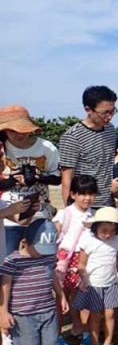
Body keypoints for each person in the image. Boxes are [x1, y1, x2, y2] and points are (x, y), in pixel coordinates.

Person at [0, 219, 73, 345]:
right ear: (24, 242)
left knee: (52, 344)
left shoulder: (48, 257)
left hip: (47, 309)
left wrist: (61, 295)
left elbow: (53, 277)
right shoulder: (12, 261)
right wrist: (4, 311)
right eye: (39, 249)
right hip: (23, 313)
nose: (42, 254)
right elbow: (5, 286)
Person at [0, 105, 61, 255]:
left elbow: (57, 178)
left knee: (42, 260)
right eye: (12, 131)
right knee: (7, 262)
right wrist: (13, 180)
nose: (19, 135)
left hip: (39, 211)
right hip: (7, 212)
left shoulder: (46, 148)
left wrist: (38, 178)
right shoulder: (1, 148)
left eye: (23, 131)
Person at [72, 207, 118, 345]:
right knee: (96, 315)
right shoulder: (88, 241)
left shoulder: (116, 242)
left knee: (110, 314)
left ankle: (108, 342)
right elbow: (81, 264)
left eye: (112, 231)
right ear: (95, 227)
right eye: (104, 230)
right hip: (93, 284)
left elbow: (117, 262)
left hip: (110, 283)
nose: (108, 234)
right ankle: (95, 344)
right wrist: (84, 278)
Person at [59, 85, 118, 209]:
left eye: (112, 111)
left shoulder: (110, 129)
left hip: (108, 203)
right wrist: (70, 212)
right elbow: (67, 179)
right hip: (85, 205)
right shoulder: (72, 137)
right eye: (104, 113)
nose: (109, 116)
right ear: (88, 109)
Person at [53, 175, 97, 345]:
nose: (87, 198)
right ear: (73, 194)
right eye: (82, 194)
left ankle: (84, 330)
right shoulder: (64, 214)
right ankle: (56, 337)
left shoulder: (95, 216)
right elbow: (52, 236)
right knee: (61, 298)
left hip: (85, 260)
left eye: (91, 194)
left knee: (83, 297)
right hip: (64, 261)